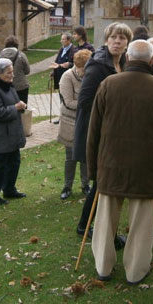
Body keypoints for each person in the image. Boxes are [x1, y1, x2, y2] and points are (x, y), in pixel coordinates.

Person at [87, 40, 153, 284]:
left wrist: (93, 170)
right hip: (146, 168)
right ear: (152, 60)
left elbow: (93, 132)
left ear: (128, 58)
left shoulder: (108, 84)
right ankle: (136, 271)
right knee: (141, 222)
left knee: (105, 218)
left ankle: (104, 267)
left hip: (110, 166)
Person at [73, 22, 132, 239]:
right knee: (104, 181)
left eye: (122, 38)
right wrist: (107, 120)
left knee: (104, 181)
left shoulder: (124, 63)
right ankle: (91, 228)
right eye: (114, 38)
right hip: (98, 132)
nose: (117, 42)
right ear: (106, 40)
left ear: (127, 43)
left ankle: (88, 226)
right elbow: (85, 101)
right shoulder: (97, 65)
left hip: (115, 131)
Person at [0, 58, 27, 206]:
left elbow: (14, 104)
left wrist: (20, 106)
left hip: (13, 133)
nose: (12, 75)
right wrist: (15, 107)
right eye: (9, 72)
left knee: (14, 162)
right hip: (1, 134)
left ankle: (9, 189)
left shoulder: (8, 86)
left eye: (12, 72)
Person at [57, 49, 92, 200]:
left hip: (86, 121)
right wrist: (91, 104)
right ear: (76, 65)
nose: (84, 72)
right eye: (82, 68)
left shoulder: (91, 76)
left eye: (87, 68)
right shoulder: (67, 77)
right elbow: (69, 102)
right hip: (70, 121)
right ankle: (67, 186)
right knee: (70, 157)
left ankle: (85, 185)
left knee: (85, 155)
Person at [0, 35, 31, 104]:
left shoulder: (1, 56)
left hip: (5, 87)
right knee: (22, 110)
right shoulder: (21, 55)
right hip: (21, 87)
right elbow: (27, 71)